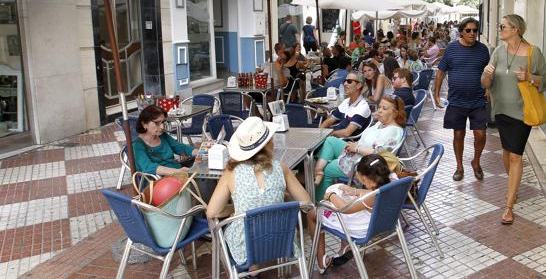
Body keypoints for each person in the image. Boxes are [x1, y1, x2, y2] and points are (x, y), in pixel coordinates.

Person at [206, 117, 311, 266]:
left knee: (229, 229)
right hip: (282, 241)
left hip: (244, 249)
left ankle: (251, 269)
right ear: (267, 144)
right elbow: (306, 202)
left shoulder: (231, 173)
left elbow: (212, 212)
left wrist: (239, 209)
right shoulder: (282, 169)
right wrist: (281, 199)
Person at [481, 14, 546, 225]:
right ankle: (514, 186)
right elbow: (485, 83)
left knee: (515, 157)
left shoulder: (532, 52)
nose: (499, 29)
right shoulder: (499, 51)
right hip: (501, 110)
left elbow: (545, 81)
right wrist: (486, 74)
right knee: (507, 152)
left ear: (515, 30)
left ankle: (509, 206)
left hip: (522, 112)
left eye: (503, 26)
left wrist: (529, 77)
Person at [307, 154, 397, 273]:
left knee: (313, 214)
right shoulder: (393, 181)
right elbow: (371, 192)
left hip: (363, 229)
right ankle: (345, 246)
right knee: (349, 202)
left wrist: (331, 195)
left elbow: (345, 209)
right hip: (384, 222)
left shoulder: (372, 196)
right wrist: (354, 191)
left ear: (365, 178)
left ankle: (321, 262)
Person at [314, 95, 405, 199]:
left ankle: (321, 201)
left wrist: (356, 148)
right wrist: (355, 145)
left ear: (395, 113)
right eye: (379, 107)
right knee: (330, 141)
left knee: (328, 169)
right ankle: (318, 171)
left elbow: (380, 154)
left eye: (384, 108)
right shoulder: (380, 124)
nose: (379, 111)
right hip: (357, 151)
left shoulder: (394, 131)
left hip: (365, 162)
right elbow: (366, 139)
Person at [434, 17, 490, 182]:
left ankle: (476, 162)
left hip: (478, 100)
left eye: (475, 30)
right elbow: (440, 72)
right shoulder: (451, 49)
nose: (472, 33)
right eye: (468, 30)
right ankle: (459, 167)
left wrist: (488, 88)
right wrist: (436, 94)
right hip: (456, 101)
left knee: (481, 134)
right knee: (458, 135)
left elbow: (488, 72)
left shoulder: (483, 50)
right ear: (461, 32)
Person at [133, 105, 200, 175]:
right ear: (144, 124)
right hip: (159, 181)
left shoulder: (162, 136)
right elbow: (148, 167)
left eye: (163, 122)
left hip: (177, 173)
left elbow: (181, 147)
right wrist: (178, 171)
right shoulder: (137, 145)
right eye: (157, 123)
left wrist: (201, 153)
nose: (162, 127)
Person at [320, 72, 371, 138]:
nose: (345, 84)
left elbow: (346, 133)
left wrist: (327, 134)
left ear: (358, 85)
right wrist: (320, 131)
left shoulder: (363, 107)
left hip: (346, 142)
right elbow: (330, 120)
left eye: (349, 81)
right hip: (335, 136)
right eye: (345, 81)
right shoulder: (346, 101)